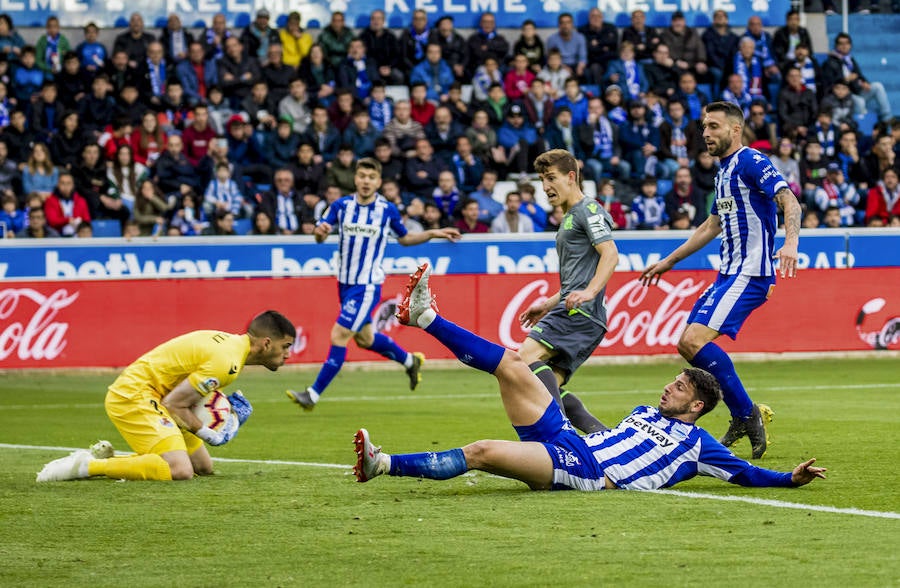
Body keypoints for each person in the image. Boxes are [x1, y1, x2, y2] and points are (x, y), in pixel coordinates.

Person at [353, 264, 827, 492]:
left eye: (679, 387)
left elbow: (743, 474)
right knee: (515, 364)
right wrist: (574, 410)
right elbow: (605, 434)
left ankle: (384, 464)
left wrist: (789, 479)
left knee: (481, 452)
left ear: (697, 406)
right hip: (570, 440)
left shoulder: (698, 445)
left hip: (588, 472)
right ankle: (427, 317)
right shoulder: (645, 413)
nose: (668, 387)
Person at [640, 101, 802, 459]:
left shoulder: (751, 160)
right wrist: (669, 261)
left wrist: (790, 243)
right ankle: (744, 413)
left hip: (750, 272)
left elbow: (790, 200)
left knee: (694, 340)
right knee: (686, 344)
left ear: (735, 129)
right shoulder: (724, 171)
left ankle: (747, 414)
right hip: (728, 274)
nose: (705, 134)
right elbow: (711, 225)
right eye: (703, 127)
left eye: (713, 126)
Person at [36, 311, 296, 482]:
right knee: (180, 470)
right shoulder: (226, 362)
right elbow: (174, 403)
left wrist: (220, 408)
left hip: (157, 396)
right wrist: (211, 434)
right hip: (134, 395)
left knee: (202, 467)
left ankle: (112, 460)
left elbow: (183, 394)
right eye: (285, 347)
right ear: (265, 343)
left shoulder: (229, 347)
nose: (288, 354)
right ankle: (88, 465)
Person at [286, 158, 460, 411]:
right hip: (344, 284)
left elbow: (405, 238)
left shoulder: (386, 210)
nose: (366, 181)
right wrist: (320, 232)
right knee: (365, 339)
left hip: (366, 285)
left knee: (339, 335)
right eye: (362, 176)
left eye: (371, 177)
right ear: (355, 179)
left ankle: (312, 395)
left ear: (378, 181)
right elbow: (320, 232)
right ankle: (410, 361)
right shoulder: (341, 205)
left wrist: (433, 232)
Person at [517, 149, 618, 434]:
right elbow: (575, 283)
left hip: (580, 312)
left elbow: (610, 254)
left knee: (524, 359)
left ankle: (562, 436)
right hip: (579, 312)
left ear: (571, 177)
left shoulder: (589, 209)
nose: (546, 186)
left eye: (551, 178)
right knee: (543, 388)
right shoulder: (569, 217)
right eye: (541, 180)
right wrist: (548, 304)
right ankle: (608, 441)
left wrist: (589, 293)